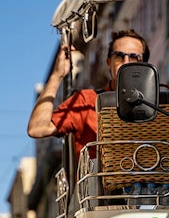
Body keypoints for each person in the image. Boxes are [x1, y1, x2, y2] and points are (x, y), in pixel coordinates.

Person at [27, 29, 150, 160]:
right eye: (119, 56)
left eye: (134, 57)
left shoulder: (159, 105)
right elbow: (37, 128)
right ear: (109, 62)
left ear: (145, 65)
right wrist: (57, 76)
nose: (125, 62)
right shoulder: (86, 101)